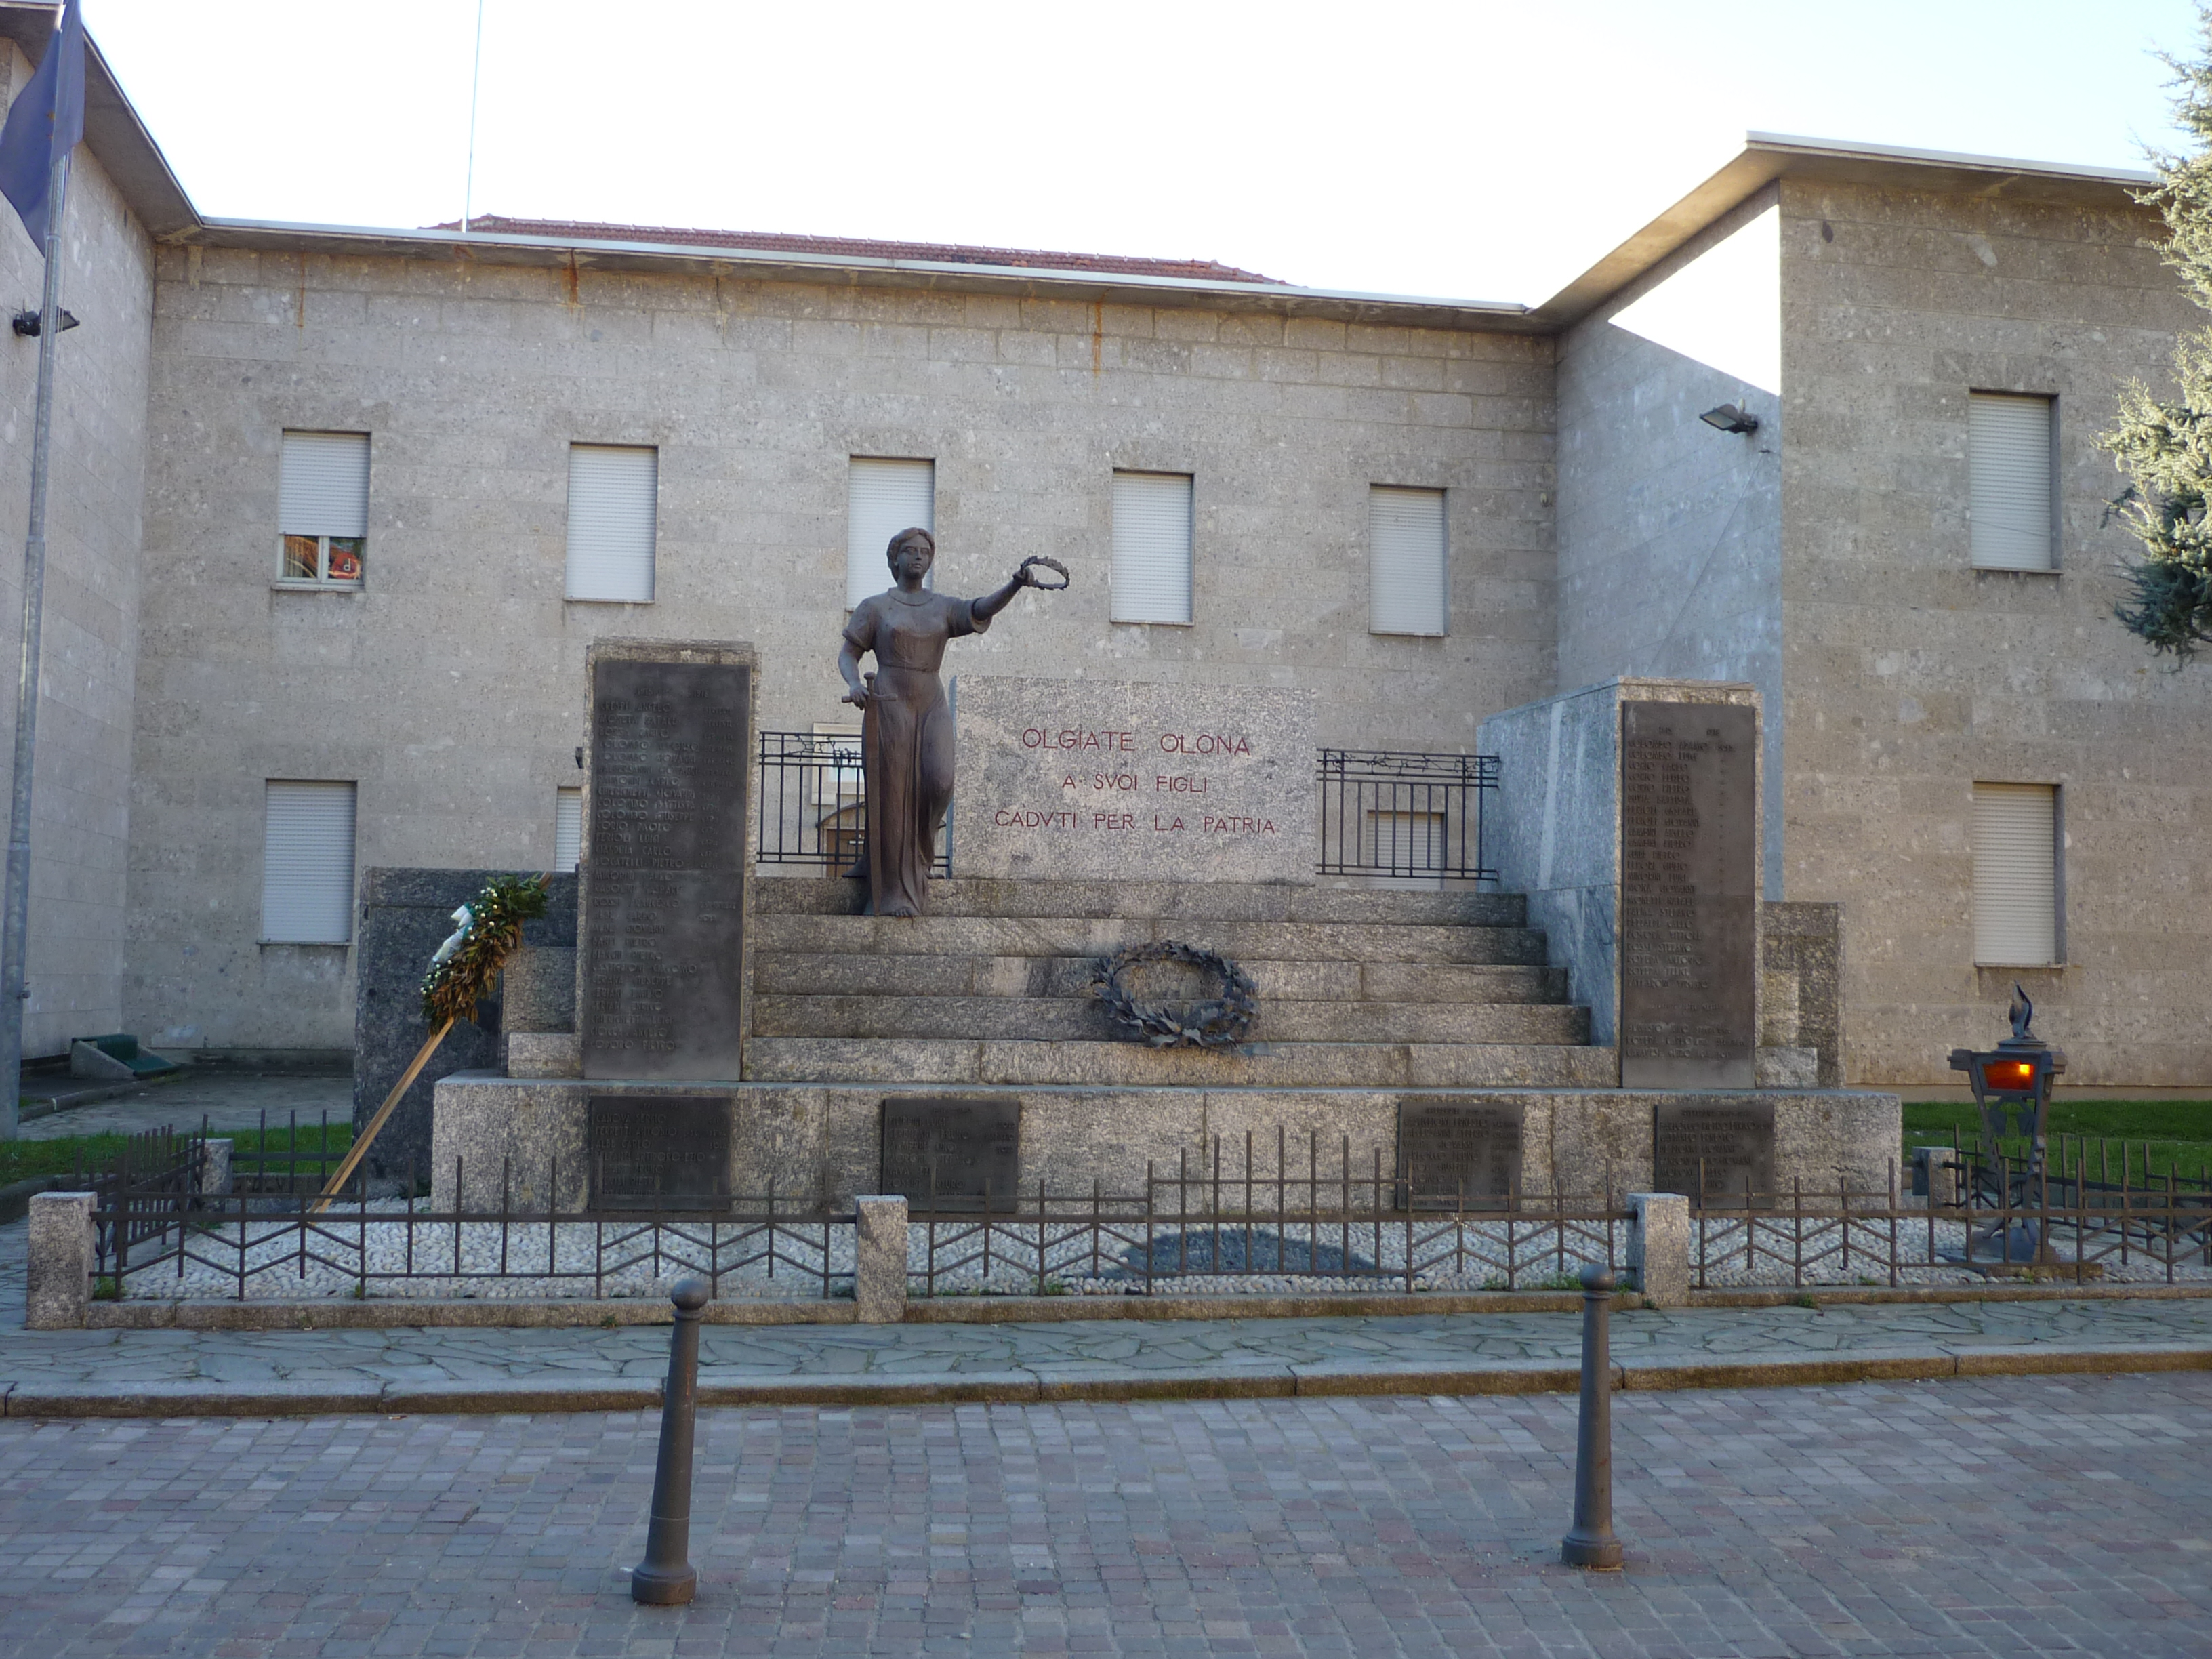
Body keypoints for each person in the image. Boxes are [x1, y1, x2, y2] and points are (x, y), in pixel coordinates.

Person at [838, 529, 1045, 916]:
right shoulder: (876, 607)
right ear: (895, 559)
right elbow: (848, 654)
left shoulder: (943, 607)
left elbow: (980, 609)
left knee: (940, 781)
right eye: (910, 552)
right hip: (890, 698)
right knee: (894, 795)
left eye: (924, 552)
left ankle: (919, 857)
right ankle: (895, 894)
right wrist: (854, 684)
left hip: (930, 699)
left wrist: (1015, 585)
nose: (918, 558)